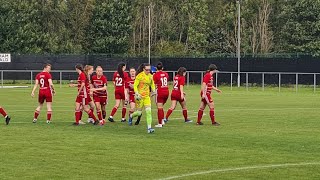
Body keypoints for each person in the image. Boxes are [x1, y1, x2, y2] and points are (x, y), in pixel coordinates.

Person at [128, 63, 156, 133]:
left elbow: (152, 84)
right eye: (147, 70)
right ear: (143, 69)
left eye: (149, 70)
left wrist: (154, 90)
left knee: (148, 112)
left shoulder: (151, 76)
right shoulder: (139, 76)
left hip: (147, 97)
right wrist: (137, 93)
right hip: (139, 97)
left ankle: (149, 129)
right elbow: (135, 85)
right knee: (139, 113)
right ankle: (131, 116)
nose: (148, 71)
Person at [153, 62, 170, 128]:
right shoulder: (166, 74)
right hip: (166, 91)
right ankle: (162, 120)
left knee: (159, 107)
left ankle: (160, 123)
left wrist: (153, 92)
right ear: (162, 68)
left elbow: (154, 84)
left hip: (160, 91)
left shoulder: (155, 75)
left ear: (156, 68)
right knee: (161, 106)